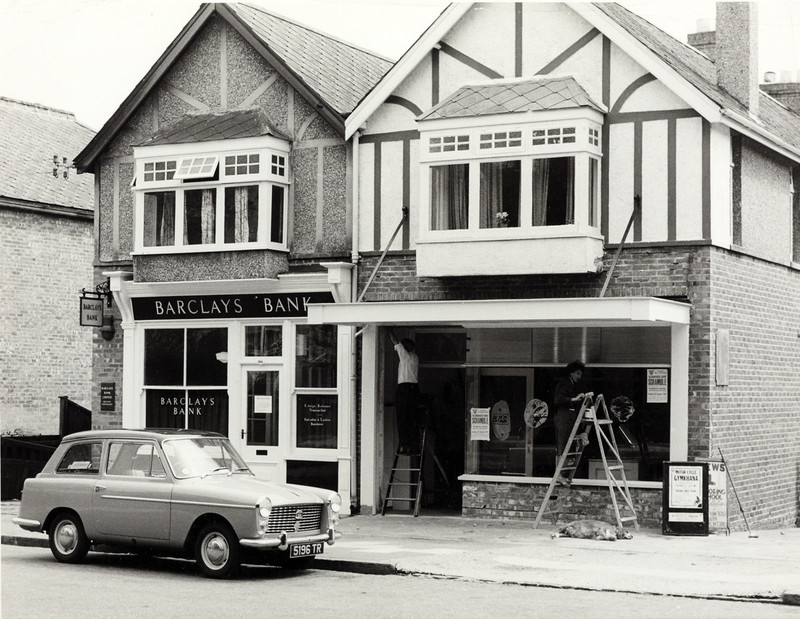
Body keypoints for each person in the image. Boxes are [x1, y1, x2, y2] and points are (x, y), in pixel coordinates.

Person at [553, 360, 589, 485]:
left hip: (568, 420)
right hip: (563, 419)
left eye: (581, 374)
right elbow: (558, 399)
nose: (579, 376)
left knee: (568, 446)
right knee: (563, 446)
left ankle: (562, 474)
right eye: (578, 373)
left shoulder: (571, 384)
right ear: (571, 372)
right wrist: (575, 399)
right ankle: (559, 475)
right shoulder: (565, 383)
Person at [388, 329, 420, 454]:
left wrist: (386, 327)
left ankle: (405, 446)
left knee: (402, 418)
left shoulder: (406, 356)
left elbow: (395, 341)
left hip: (405, 389)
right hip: (414, 389)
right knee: (412, 418)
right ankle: (413, 446)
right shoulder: (414, 357)